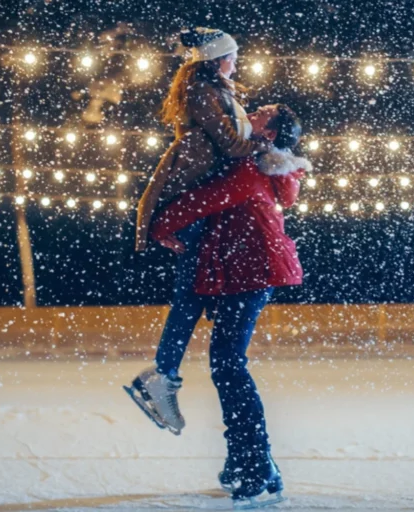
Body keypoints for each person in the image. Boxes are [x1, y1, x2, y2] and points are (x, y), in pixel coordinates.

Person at [150, 104, 308, 508]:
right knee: (226, 365)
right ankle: (245, 463)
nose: (251, 111)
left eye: (262, 112)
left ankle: (255, 467)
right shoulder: (255, 165)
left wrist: (157, 223)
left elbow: (202, 200)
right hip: (245, 271)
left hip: (251, 270)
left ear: (269, 134)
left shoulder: (251, 169)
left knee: (228, 365)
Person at [126, 27, 271, 435]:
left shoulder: (212, 90)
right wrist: (267, 148)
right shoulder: (202, 91)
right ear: (217, 59)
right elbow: (229, 144)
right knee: (189, 296)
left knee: (194, 294)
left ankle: (163, 375)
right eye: (233, 56)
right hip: (189, 195)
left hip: (198, 198)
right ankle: (162, 376)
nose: (236, 63)